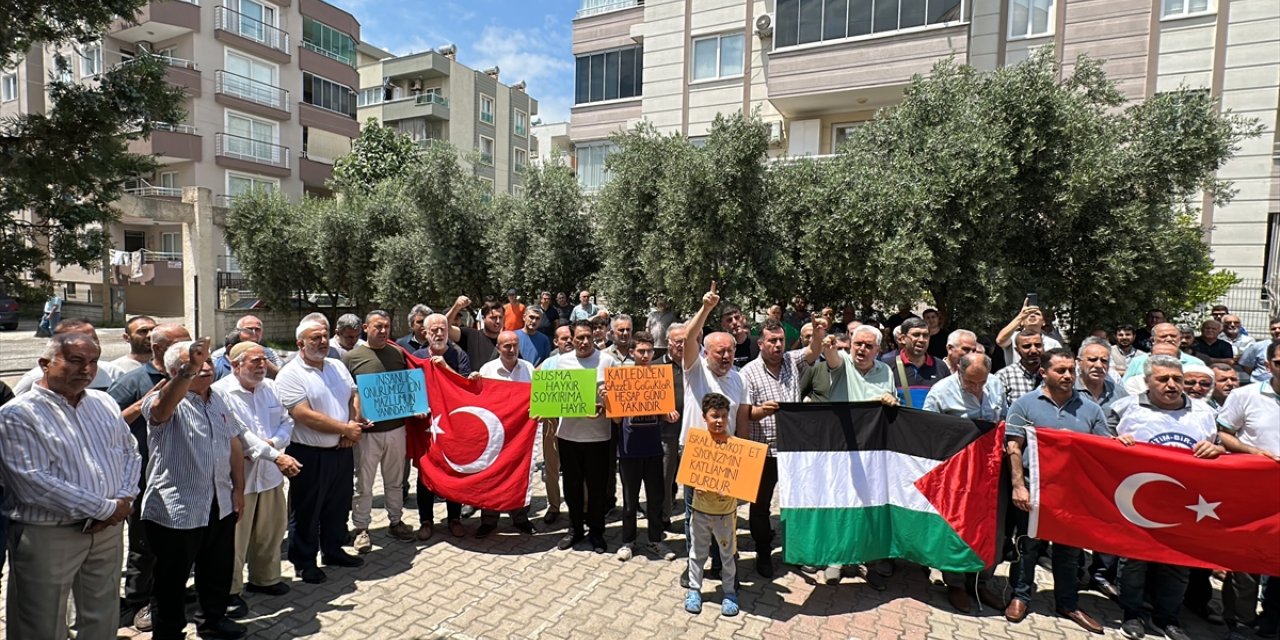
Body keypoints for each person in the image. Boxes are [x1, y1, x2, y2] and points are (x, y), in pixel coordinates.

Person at [0, 332, 141, 639]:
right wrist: (107, 508)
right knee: (40, 621)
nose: (86, 370)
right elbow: (33, 482)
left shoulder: (102, 402)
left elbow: (130, 451)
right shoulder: (18, 414)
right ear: (45, 364)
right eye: (76, 361)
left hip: (107, 530)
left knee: (102, 614)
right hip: (49, 534)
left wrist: (126, 497)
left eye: (93, 362)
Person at [141, 338, 254, 640]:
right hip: (177, 507)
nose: (204, 368)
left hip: (219, 501)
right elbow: (160, 412)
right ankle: (168, 632)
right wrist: (187, 372)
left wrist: (238, 489)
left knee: (216, 569)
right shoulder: (162, 400)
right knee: (171, 579)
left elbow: (233, 442)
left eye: (205, 362)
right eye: (192, 364)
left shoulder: (218, 399)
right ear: (174, 372)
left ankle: (213, 621)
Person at [1113, 355, 1223, 640]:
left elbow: (1221, 447)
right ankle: (1133, 614)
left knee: (1177, 565)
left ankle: (1168, 618)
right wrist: (1114, 443)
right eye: (1163, 379)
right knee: (1134, 562)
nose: (1172, 384)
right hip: (1137, 503)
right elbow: (1101, 444)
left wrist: (1217, 450)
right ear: (1147, 381)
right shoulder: (1126, 408)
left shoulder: (1203, 412)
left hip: (1187, 506)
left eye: (1177, 379)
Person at [1003, 348, 1108, 634]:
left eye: (1071, 371)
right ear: (1044, 372)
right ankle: (1020, 596)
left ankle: (1068, 602)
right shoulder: (1024, 404)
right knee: (1028, 546)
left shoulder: (1090, 408)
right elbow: (1013, 447)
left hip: (1073, 494)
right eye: (1060, 370)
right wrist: (1018, 486)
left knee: (1069, 552)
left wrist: (1122, 443)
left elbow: (1104, 449)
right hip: (1034, 488)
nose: (1067, 376)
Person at [108, 322, 189, 631]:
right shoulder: (135, 381)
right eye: (179, 345)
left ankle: (169, 594)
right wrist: (147, 403)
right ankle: (137, 601)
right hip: (144, 479)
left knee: (176, 544)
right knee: (145, 546)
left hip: (184, 476)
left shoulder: (196, 378)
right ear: (158, 350)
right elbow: (107, 426)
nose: (188, 351)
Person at [213, 342, 302, 618]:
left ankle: (265, 579)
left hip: (271, 475)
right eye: (255, 361)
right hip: (239, 479)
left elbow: (287, 421)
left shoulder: (271, 388)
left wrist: (274, 444)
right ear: (236, 364)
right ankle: (229, 591)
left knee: (271, 530)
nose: (262, 365)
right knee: (235, 540)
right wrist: (272, 454)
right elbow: (239, 434)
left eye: (264, 360)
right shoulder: (221, 392)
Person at [275, 320, 366, 585]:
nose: (323, 342)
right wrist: (346, 430)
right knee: (306, 511)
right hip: (309, 453)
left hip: (341, 450)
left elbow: (353, 395)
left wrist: (351, 426)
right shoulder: (290, 374)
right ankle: (304, 562)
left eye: (325, 336)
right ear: (299, 343)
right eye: (315, 337)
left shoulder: (337, 365)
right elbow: (303, 414)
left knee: (338, 505)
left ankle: (333, 550)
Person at [922, 352, 1007, 611]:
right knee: (956, 526)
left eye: (981, 382)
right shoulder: (941, 391)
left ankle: (981, 582)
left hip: (990, 470)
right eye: (971, 383)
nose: (977, 388)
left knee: (991, 526)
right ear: (959, 371)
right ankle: (955, 583)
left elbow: (1002, 419)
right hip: (957, 471)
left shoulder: (995, 385)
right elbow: (927, 430)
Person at [739, 319, 821, 579]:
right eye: (771, 341)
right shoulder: (748, 373)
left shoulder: (790, 361)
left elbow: (814, 351)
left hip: (792, 450)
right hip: (763, 452)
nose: (777, 345)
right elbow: (744, 413)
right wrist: (761, 411)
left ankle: (796, 552)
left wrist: (818, 333)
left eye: (780, 340)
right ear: (760, 343)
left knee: (796, 503)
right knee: (760, 505)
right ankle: (763, 552)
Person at [679, 282, 749, 581]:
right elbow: (689, 336)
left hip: (727, 454)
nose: (726, 356)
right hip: (696, 452)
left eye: (731, 351)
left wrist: (744, 455)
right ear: (706, 352)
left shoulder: (739, 379)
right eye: (720, 351)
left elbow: (742, 419)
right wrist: (706, 307)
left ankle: (723, 563)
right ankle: (694, 564)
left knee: (725, 514)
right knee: (694, 514)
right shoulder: (694, 369)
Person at [1218, 339, 1280, 637]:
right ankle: (1239, 623)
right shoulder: (1245, 395)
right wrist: (1253, 454)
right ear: (1268, 365)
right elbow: (1223, 433)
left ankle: (1271, 620)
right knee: (1245, 562)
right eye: (1279, 362)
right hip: (1252, 492)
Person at [342, 311, 417, 553]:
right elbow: (345, 394)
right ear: (366, 327)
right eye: (378, 326)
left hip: (396, 430)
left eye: (386, 326)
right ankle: (361, 528)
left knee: (395, 481)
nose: (383, 331)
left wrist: (416, 406)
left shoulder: (397, 353)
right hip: (367, 435)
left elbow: (407, 386)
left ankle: (395, 521)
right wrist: (353, 420)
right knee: (363, 484)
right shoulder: (351, 357)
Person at [542, 320, 616, 553]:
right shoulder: (560, 363)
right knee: (572, 487)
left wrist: (606, 402)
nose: (584, 342)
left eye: (588, 337)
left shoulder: (607, 361)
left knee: (596, 489)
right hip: (568, 436)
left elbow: (618, 401)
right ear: (571, 339)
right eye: (579, 338)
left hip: (599, 437)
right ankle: (575, 529)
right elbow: (549, 396)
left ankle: (596, 532)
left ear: (594, 337)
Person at [614, 331, 678, 562]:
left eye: (649, 351)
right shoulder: (621, 378)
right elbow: (616, 420)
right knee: (630, 501)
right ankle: (628, 541)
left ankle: (655, 539)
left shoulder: (660, 377)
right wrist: (609, 402)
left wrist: (669, 415)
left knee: (656, 499)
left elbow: (665, 413)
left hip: (654, 448)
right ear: (631, 352)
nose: (645, 355)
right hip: (629, 449)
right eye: (640, 351)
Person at [410, 313, 471, 538]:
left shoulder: (458, 354)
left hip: (453, 424)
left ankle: (454, 518)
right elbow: (410, 389)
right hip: (425, 425)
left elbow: (466, 386)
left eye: (442, 329)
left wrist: (445, 367)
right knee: (425, 471)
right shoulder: (416, 356)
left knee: (452, 469)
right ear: (425, 333)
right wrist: (414, 408)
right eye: (433, 330)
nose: (438, 333)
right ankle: (426, 521)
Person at [682, 392, 741, 618]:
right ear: (704, 417)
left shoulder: (735, 446)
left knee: (727, 555)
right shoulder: (696, 442)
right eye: (714, 416)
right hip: (700, 511)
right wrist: (696, 483)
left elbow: (741, 479)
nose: (719, 421)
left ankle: (729, 592)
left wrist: (732, 487)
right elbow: (688, 475)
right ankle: (694, 590)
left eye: (724, 416)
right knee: (697, 553)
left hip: (725, 513)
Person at [475, 331, 537, 538]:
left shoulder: (529, 369)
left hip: (520, 434)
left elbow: (539, 398)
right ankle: (489, 520)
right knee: (491, 476)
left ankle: (520, 518)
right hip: (495, 435)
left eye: (514, 345)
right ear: (498, 348)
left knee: (518, 474)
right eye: (506, 346)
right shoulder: (487, 370)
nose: (511, 350)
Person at [14, 319, 123, 393]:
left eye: (93, 339)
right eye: (79, 340)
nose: (89, 345)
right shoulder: (34, 379)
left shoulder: (114, 373)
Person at [657, 322, 691, 532]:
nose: (681, 345)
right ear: (668, 342)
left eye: (686, 341)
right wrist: (662, 412)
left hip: (693, 433)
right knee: (664, 477)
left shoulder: (697, 365)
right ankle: (663, 516)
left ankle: (692, 519)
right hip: (667, 433)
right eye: (678, 341)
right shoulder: (656, 367)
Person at [995, 300, 1062, 367]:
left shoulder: (1053, 343)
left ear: (1043, 322)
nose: (1032, 315)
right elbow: (1000, 340)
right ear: (1021, 322)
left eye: (1037, 314)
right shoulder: (1013, 337)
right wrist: (1020, 316)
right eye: (1027, 314)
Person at [1076, 337, 1128, 415]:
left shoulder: (1119, 394)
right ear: (1079, 362)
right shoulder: (1067, 391)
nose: (1099, 365)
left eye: (1104, 361)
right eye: (1093, 359)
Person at [446, 296, 500, 367]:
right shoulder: (471, 335)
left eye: (501, 317)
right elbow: (444, 328)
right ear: (483, 319)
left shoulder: (509, 341)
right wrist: (456, 307)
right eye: (493, 318)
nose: (498, 321)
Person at [996, 332, 1045, 407]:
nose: (1034, 350)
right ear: (1017, 350)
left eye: (1038, 345)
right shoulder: (1004, 376)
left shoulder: (1054, 373)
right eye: (1027, 346)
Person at [1238, 318, 1280, 383]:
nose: (1277, 331)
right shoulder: (1257, 346)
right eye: (1273, 329)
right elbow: (1246, 365)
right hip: (1259, 386)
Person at [719, 304, 759, 370]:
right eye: (729, 320)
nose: (734, 322)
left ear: (743, 319)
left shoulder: (758, 344)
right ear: (723, 325)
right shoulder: (722, 348)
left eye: (737, 317)